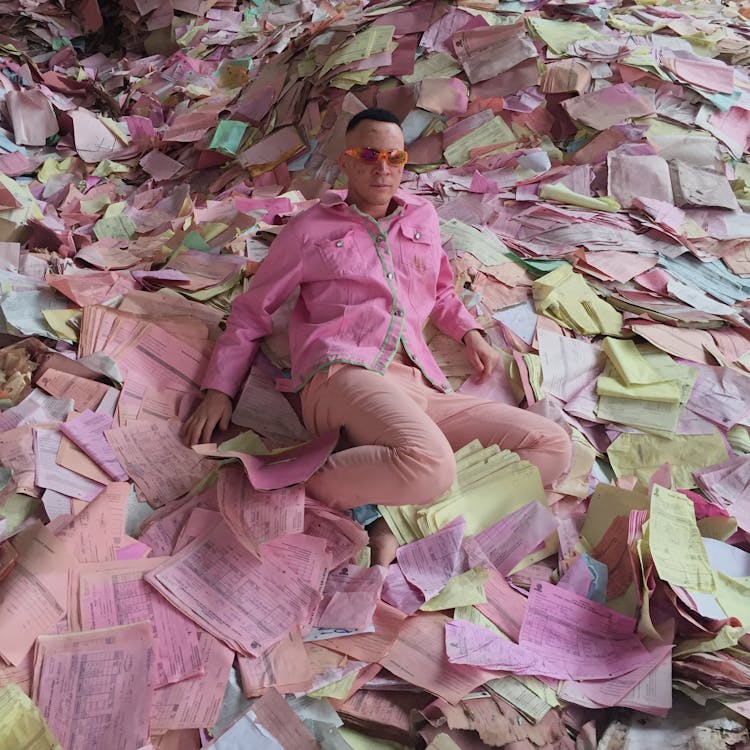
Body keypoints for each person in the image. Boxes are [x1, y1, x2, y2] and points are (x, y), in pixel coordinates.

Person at [181, 108, 571, 565]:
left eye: (394, 157)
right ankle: (290, 482)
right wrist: (218, 390)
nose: (382, 168)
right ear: (345, 162)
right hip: (341, 374)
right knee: (431, 466)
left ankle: (400, 509)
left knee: (552, 446)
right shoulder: (310, 230)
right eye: (368, 155)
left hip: (416, 380)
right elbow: (252, 310)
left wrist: (470, 334)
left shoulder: (422, 218)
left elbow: (440, 290)